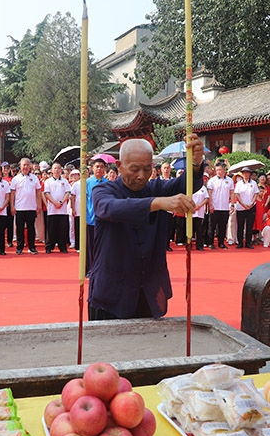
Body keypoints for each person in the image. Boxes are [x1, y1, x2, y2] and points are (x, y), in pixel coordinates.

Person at [88, 135, 205, 320]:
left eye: (147, 168)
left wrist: (196, 162)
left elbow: (186, 185)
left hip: (149, 292)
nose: (141, 176)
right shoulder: (103, 191)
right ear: (119, 165)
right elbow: (110, 208)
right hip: (111, 293)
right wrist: (157, 203)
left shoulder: (155, 187)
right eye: (134, 169)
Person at [10, 158, 42, 254]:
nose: (25, 167)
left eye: (27, 165)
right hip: (19, 207)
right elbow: (12, 194)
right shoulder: (16, 179)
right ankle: (19, 247)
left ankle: (32, 247)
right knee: (19, 228)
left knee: (31, 228)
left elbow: (38, 192)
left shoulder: (34, 178)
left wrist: (39, 205)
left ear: (30, 166)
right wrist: (12, 206)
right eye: (24, 165)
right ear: (20, 166)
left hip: (31, 207)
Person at [43, 162, 71, 253]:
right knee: (51, 229)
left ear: (61, 170)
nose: (57, 170)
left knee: (62, 229)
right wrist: (55, 203)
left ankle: (62, 247)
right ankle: (49, 247)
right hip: (52, 209)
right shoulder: (48, 181)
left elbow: (67, 192)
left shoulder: (65, 181)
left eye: (58, 168)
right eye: (55, 168)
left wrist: (61, 202)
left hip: (62, 209)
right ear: (51, 170)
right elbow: (47, 193)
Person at [206, 162, 234, 249]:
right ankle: (210, 243)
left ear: (224, 170)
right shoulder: (212, 180)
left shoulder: (230, 180)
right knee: (211, 226)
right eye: (217, 170)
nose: (219, 172)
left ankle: (221, 242)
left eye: (220, 170)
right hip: (214, 206)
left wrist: (232, 204)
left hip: (225, 207)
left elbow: (232, 193)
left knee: (222, 226)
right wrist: (210, 205)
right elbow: (209, 193)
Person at [234, 167, 259, 248]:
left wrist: (251, 203)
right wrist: (243, 204)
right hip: (241, 207)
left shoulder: (254, 183)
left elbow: (256, 194)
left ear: (249, 174)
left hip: (251, 207)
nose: (245, 174)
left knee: (249, 225)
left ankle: (248, 242)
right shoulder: (239, 183)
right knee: (240, 226)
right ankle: (240, 242)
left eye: (247, 172)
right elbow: (237, 194)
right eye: (244, 173)